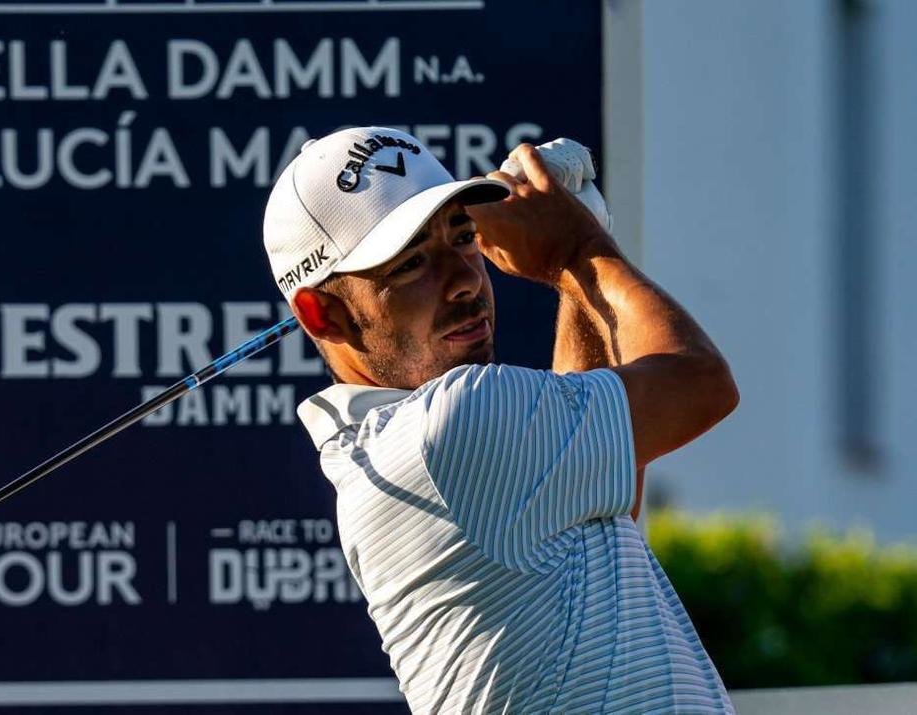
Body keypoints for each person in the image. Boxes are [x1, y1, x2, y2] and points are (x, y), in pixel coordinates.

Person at [263, 127, 739, 714]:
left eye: (464, 237)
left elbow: (605, 500)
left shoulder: (418, 442)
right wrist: (577, 250)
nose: (465, 280)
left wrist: (579, 283)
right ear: (322, 312)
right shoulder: (454, 424)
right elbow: (701, 385)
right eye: (411, 264)